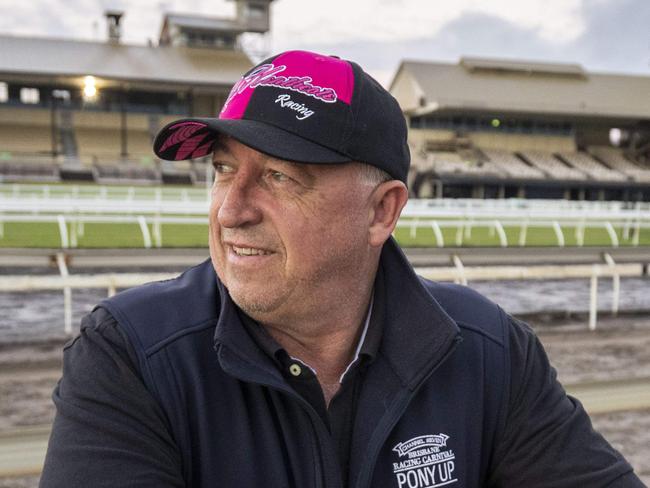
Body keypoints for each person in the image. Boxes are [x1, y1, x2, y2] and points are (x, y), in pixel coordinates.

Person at [40, 50, 643, 488]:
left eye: (278, 177)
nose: (232, 209)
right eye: (223, 169)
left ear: (382, 211)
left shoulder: (490, 353)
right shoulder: (128, 354)